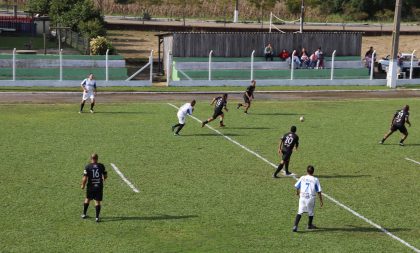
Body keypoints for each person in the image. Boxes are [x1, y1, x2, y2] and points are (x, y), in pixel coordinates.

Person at [292, 165, 323, 232]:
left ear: (307, 171)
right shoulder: (315, 179)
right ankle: (309, 225)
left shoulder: (302, 177)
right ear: (313, 172)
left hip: (302, 197)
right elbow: (319, 191)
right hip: (310, 198)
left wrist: (298, 193)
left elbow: (297, 186)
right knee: (311, 212)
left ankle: (295, 226)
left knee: (300, 212)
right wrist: (321, 201)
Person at [81, 153, 107, 222]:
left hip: (90, 186)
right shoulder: (101, 166)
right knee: (97, 201)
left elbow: (85, 178)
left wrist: (83, 185)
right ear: (97, 158)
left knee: (87, 199)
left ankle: (84, 214)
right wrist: (104, 179)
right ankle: (97, 217)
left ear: (91, 158)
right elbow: (105, 175)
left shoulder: (88, 166)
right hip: (99, 186)